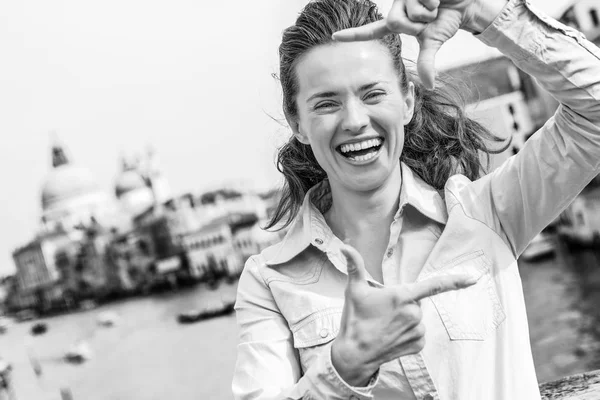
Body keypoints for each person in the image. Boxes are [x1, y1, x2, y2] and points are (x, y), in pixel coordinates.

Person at [233, 0, 600, 398]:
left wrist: (485, 14)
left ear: (407, 101)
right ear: (298, 124)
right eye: (326, 103)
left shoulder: (487, 213)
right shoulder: (268, 280)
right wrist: (343, 371)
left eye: (372, 94)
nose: (354, 121)